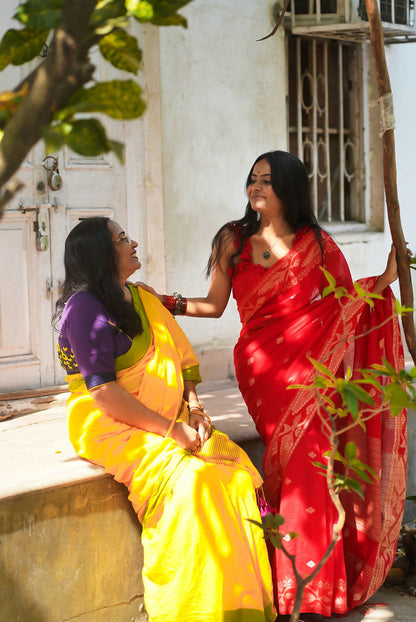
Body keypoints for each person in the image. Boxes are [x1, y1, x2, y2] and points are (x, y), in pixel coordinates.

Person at [142, 151, 408, 618]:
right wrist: (164, 301)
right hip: (262, 367)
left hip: (312, 368)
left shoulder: (318, 244)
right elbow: (215, 305)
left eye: (266, 180)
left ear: (289, 187)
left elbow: (346, 306)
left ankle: (307, 595)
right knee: (294, 460)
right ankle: (295, 588)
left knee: (312, 466)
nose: (256, 187)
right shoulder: (233, 239)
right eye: (252, 179)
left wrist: (387, 278)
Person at [53, 217, 276, 622]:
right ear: (101, 254)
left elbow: (184, 363)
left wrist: (194, 409)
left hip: (168, 414)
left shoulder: (141, 297)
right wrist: (172, 430)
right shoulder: (83, 309)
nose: (134, 242)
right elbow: (104, 392)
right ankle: (194, 610)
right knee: (195, 483)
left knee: (234, 473)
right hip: (108, 419)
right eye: (122, 239)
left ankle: (239, 607)